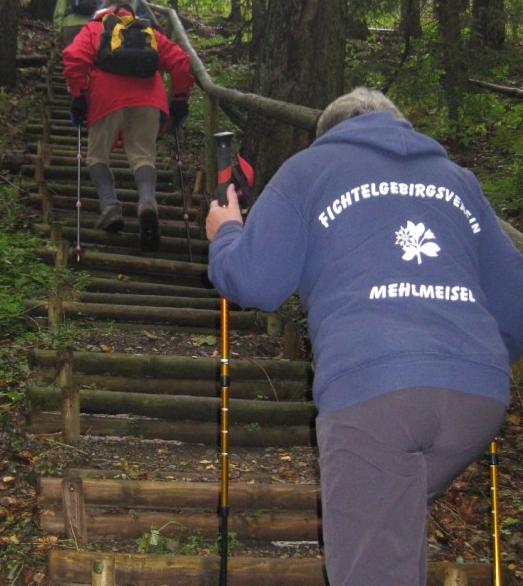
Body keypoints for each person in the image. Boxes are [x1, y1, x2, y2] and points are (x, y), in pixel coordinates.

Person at [205, 87, 523, 585]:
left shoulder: (310, 170)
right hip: (475, 398)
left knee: (375, 558)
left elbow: (254, 280)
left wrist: (225, 231)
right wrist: (459, 361)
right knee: (387, 541)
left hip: (373, 392)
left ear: (329, 132)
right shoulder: (458, 182)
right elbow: (516, 303)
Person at [62, 0, 193, 252]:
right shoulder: (147, 31)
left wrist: (78, 94)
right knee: (143, 157)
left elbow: (74, 57)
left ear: (104, 6)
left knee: (97, 156)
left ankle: (110, 206)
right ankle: (147, 203)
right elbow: (180, 61)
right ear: (132, 7)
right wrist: (179, 99)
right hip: (148, 97)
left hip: (106, 97)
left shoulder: (95, 28)